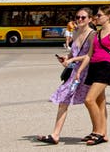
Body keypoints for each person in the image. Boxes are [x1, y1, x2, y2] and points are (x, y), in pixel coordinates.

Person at [36, 8, 92, 145]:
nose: (79, 19)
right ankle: (55, 134)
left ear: (90, 19)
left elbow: (90, 56)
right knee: (64, 100)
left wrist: (73, 60)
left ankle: (100, 131)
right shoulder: (75, 32)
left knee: (93, 103)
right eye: (77, 17)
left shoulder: (92, 35)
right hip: (74, 73)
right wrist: (66, 58)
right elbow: (73, 54)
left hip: (85, 72)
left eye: (83, 17)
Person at [82, 6, 110, 146]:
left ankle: (99, 132)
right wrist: (79, 70)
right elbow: (89, 54)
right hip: (93, 66)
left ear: (108, 16)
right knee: (100, 102)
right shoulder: (96, 33)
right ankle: (101, 132)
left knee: (89, 100)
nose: (97, 17)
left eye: (99, 15)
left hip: (106, 66)